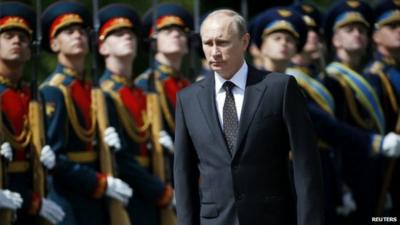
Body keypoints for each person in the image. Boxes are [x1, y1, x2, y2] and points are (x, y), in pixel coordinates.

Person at [174, 9, 323, 225]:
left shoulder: (278, 88)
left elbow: (306, 165)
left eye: (222, 42)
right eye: (208, 43)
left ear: (244, 41)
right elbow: (183, 173)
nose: (214, 52)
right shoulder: (188, 99)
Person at [39, 1, 132, 225]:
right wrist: (99, 182)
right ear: (54, 44)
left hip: (97, 197)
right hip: (69, 195)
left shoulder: (97, 92)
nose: (78, 36)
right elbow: (54, 158)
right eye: (69, 32)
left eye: (81, 31)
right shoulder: (53, 90)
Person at [97, 4, 173, 225]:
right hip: (127, 190)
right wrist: (159, 191)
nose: (127, 38)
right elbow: (121, 157)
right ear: (102, 48)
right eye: (118, 34)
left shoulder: (143, 93)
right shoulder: (103, 92)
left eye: (130, 34)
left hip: (153, 187)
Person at [322, 1, 390, 224]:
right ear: (335, 40)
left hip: (373, 174)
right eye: (349, 30)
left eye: (362, 30)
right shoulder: (330, 81)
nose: (357, 35)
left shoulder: (373, 80)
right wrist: (340, 187)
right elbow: (332, 136)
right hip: (347, 175)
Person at [0, 2, 65, 224]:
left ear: (30, 51)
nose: (17, 41)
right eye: (8, 36)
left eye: (23, 37)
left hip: (34, 199)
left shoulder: (34, 95)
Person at [364, 0, 400, 218]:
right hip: (386, 168)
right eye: (392, 26)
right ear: (376, 36)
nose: (399, 31)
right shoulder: (373, 75)